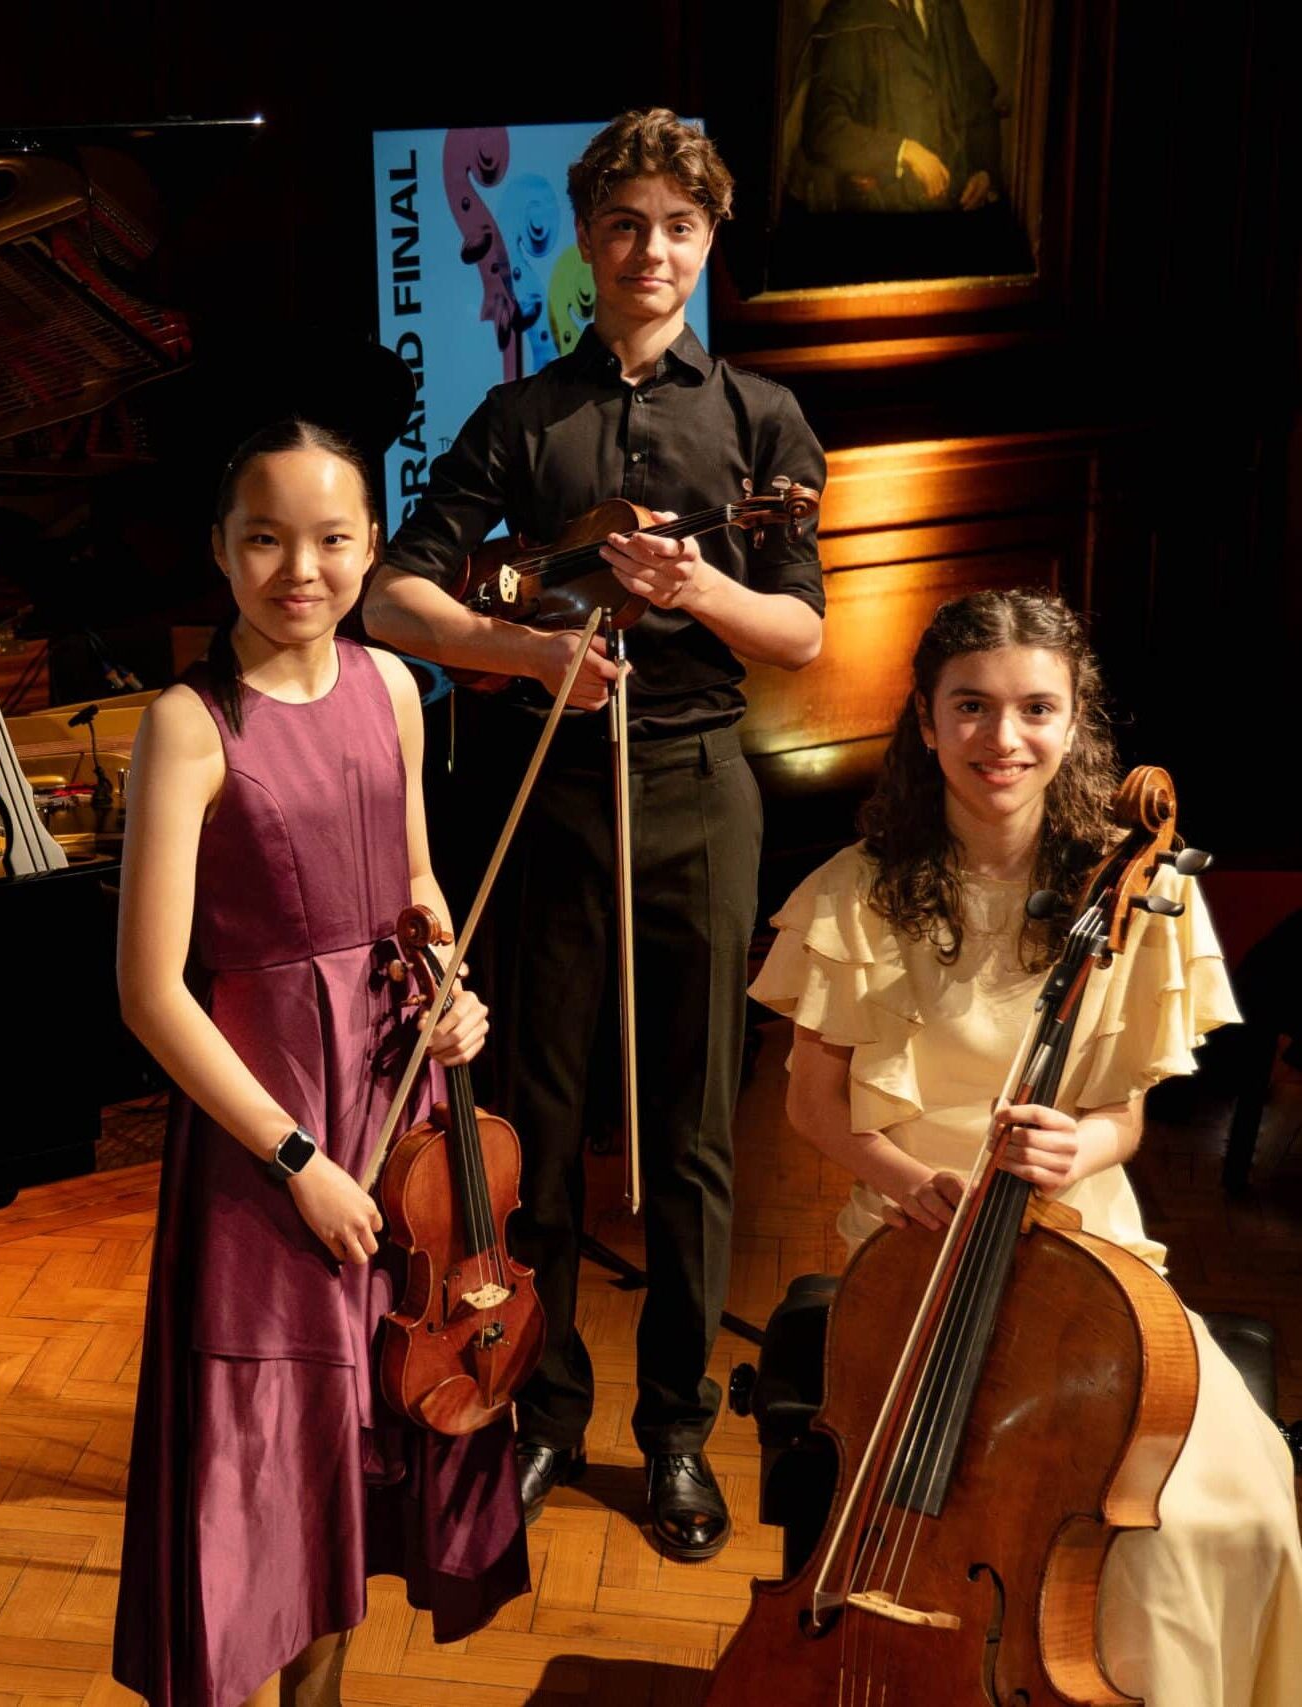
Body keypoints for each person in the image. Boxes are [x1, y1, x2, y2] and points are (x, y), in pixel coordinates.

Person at [363, 108, 827, 1561]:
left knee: (689, 1131)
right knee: (546, 1125)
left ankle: (676, 1428)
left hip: (697, 781)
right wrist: (532, 658)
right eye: (622, 223)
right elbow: (396, 598)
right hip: (550, 789)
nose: (648, 249)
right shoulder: (519, 425)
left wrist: (694, 592)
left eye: (675, 226)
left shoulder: (759, 419)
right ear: (585, 234)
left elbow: (802, 631)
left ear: (707, 242)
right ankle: (541, 1403)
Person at [749, 588, 1302, 1705]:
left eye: (1034, 710)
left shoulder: (1145, 897)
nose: (1003, 741)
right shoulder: (852, 896)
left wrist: (1081, 1142)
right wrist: (910, 1184)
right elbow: (814, 1106)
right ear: (924, 720)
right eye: (971, 708)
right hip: (911, 1245)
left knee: (1237, 1512)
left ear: (1074, 721)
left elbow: (1129, 1118)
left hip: (1083, 1251)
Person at [112, 419, 527, 1707]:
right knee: (272, 1445)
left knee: (382, 1419)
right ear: (222, 552)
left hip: (400, 1110)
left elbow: (413, 886)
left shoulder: (393, 688)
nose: (303, 567)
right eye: (267, 539)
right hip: (269, 1129)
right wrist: (294, 1161)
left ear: (367, 547)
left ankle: (326, 1697)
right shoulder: (187, 723)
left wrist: (455, 991)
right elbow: (148, 994)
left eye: (334, 539)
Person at [797, 0, 1003, 214]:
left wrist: (984, 170)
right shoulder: (851, 12)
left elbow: (978, 101)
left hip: (956, 204)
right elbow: (823, 129)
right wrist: (903, 151)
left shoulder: (945, 9)